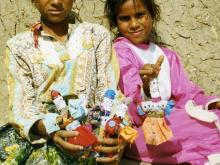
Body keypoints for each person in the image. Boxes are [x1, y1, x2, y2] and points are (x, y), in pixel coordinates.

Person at [4, 0, 126, 164]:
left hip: (94, 142)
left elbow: (109, 93)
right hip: (45, 143)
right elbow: (21, 109)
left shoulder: (96, 35)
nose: (56, 1)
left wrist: (117, 135)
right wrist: (51, 129)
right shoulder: (19, 46)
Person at [104, 0, 220, 164]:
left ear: (152, 16)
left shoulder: (166, 55)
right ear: (116, 22)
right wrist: (146, 87)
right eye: (125, 18)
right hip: (143, 131)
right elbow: (130, 109)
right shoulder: (121, 51)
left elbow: (187, 95)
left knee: (207, 118)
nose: (134, 24)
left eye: (140, 15)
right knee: (198, 127)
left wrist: (213, 103)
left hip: (174, 122)